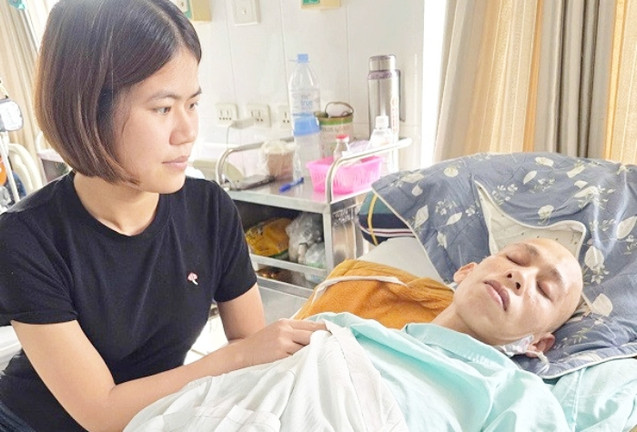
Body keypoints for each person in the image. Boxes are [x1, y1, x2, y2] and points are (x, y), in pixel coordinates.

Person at [0, 1, 325, 431]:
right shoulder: (26, 238)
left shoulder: (209, 208)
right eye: (163, 108)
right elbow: (101, 412)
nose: (188, 131)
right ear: (87, 110)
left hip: (158, 417)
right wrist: (238, 357)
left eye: (192, 104)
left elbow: (253, 349)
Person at [125, 237, 586, 431]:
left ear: (536, 343)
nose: (520, 277)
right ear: (466, 272)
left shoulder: (517, 395)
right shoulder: (352, 329)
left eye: (544, 289)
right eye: (515, 259)